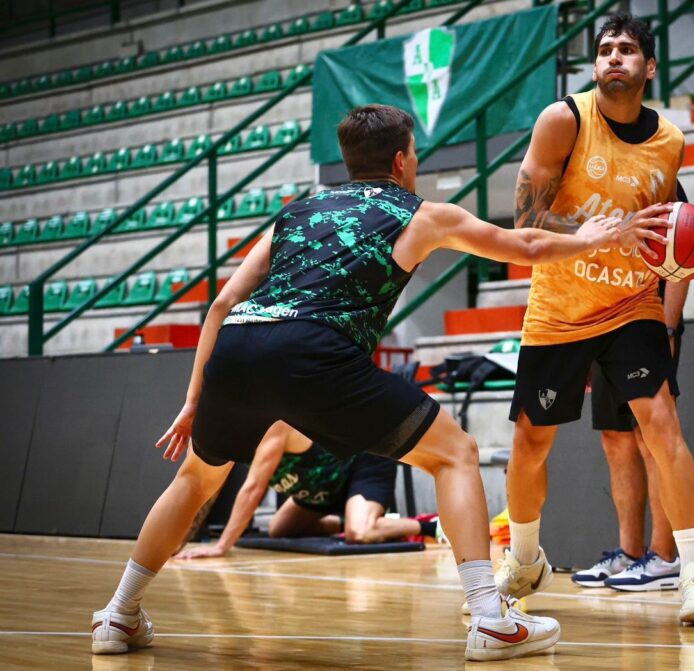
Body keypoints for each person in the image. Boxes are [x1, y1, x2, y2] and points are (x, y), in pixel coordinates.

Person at [90, 103, 664, 661]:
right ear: (400, 161)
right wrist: (595, 238)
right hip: (315, 350)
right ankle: (491, 619)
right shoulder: (420, 213)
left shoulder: (297, 210)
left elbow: (220, 303)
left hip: (239, 347)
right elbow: (528, 245)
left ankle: (119, 612)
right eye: (414, 152)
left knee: (194, 481)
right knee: (457, 455)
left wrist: (194, 400)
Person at [498, 13, 694, 624]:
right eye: (604, 49)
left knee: (662, 428)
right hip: (560, 309)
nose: (614, 57)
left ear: (650, 67)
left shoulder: (670, 142)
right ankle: (522, 558)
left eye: (627, 49)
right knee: (530, 442)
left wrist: (684, 262)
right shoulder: (564, 120)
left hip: (632, 306)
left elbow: (668, 232)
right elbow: (524, 224)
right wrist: (593, 234)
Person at [174, 421, 438, 561]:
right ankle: (362, 517)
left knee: (360, 534)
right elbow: (207, 487)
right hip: (320, 487)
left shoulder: (272, 424)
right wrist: (179, 542)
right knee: (280, 528)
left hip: (360, 462)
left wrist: (221, 546)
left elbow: (253, 489)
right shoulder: (231, 430)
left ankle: (429, 526)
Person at [573, 295, 687, 592]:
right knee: (614, 435)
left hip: (647, 318)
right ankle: (630, 553)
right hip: (603, 320)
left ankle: (663, 557)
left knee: (651, 439)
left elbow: (679, 264)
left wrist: (669, 328)